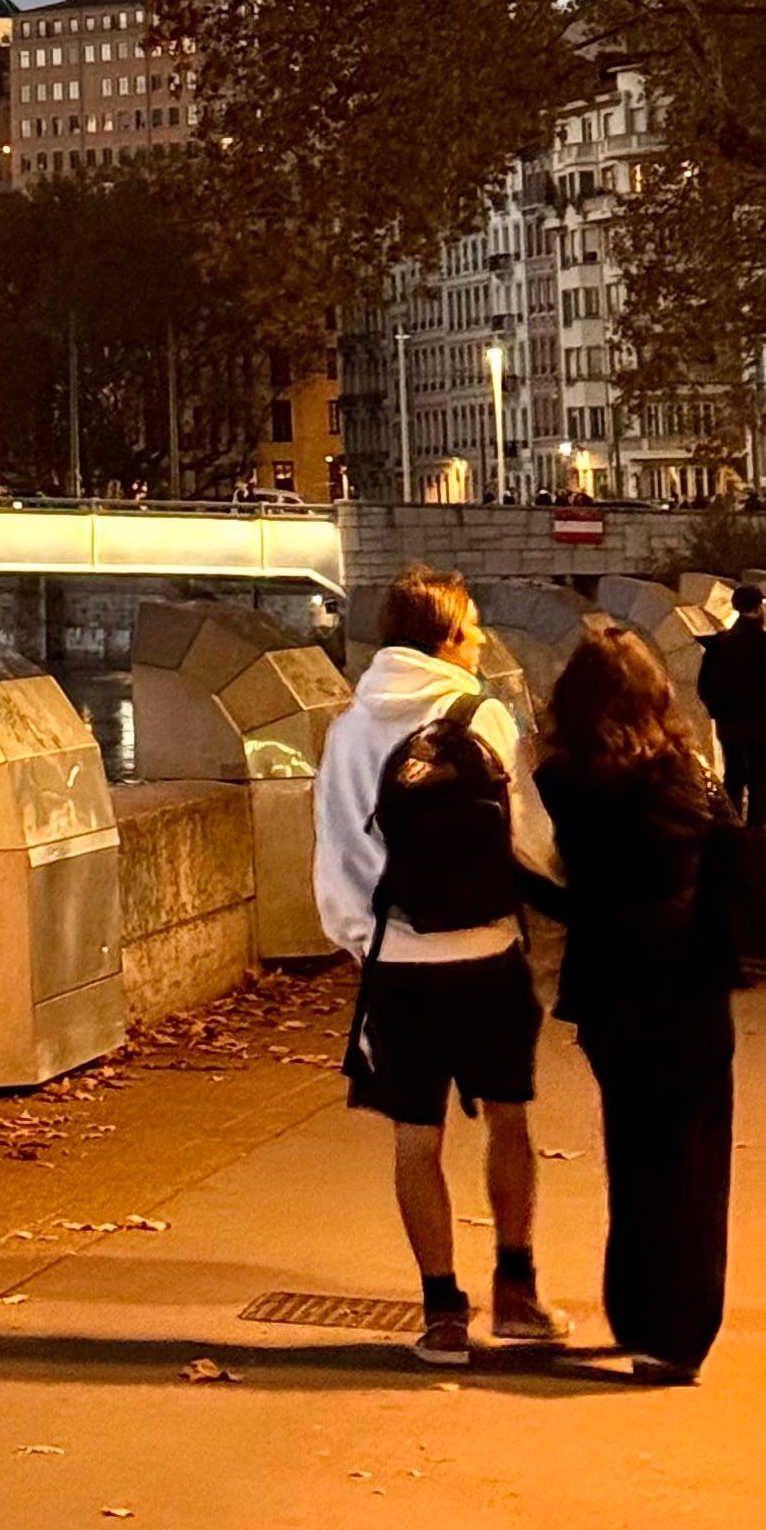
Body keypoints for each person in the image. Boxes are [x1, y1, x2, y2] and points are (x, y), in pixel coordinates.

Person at [316, 564, 566, 1364]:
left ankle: (440, 1313)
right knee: (509, 1120)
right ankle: (518, 1292)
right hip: (489, 954)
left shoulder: (349, 729)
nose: (483, 637)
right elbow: (530, 839)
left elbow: (338, 859)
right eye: (472, 626)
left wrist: (368, 941)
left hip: (401, 963)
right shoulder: (483, 715)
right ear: (444, 636)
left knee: (414, 1140)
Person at [533, 621, 739, 1383]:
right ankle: (682, 1333)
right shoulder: (687, 775)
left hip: (613, 990)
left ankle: (636, 1309)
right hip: (691, 989)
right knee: (696, 1159)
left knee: (635, 1150)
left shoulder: (563, 781)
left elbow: (560, 886)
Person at [696, 582, 766, 833]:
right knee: (760, 782)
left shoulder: (720, 645)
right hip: (762, 722)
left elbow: (705, 685)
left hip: (730, 723)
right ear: (759, 607)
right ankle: (757, 835)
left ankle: (732, 832)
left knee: (733, 777)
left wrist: (717, 711)